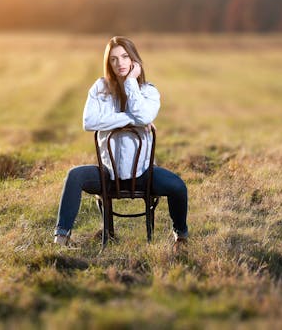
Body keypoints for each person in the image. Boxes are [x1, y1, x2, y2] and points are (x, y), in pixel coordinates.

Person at [53, 36, 189, 250]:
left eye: (125, 57)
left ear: (135, 60)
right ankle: (61, 238)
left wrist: (131, 84)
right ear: (109, 63)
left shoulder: (149, 91)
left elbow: (144, 116)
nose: (120, 63)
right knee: (74, 175)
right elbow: (89, 121)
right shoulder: (100, 88)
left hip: (143, 174)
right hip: (107, 174)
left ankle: (181, 236)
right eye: (114, 59)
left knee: (178, 187)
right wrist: (129, 118)